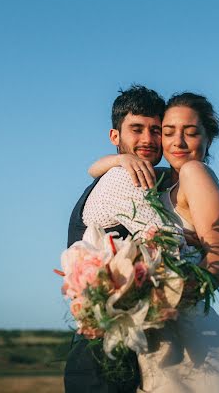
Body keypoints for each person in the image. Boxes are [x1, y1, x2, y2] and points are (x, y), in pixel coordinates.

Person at [89, 91, 219, 392]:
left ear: (207, 139)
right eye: (169, 132)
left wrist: (159, 307)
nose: (178, 142)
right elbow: (93, 169)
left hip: (182, 324)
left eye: (191, 133)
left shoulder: (194, 171)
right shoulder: (163, 181)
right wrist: (118, 158)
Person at [64, 85, 167, 393]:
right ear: (115, 137)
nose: (148, 139)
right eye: (136, 129)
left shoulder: (133, 174)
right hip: (108, 356)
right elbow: (171, 244)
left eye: (156, 130)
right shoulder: (124, 178)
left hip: (104, 346)